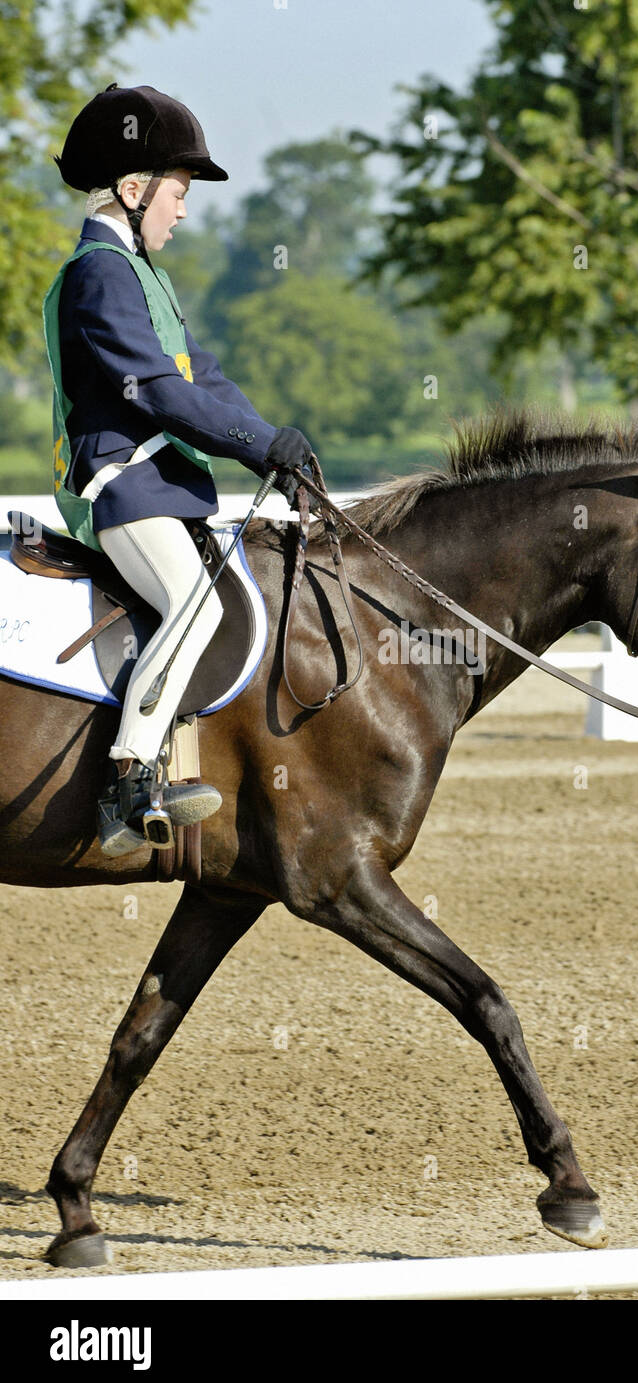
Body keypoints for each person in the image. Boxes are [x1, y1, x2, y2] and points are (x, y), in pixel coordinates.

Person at [44, 82, 312, 857]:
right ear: (132, 190)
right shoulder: (100, 272)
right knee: (195, 608)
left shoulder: (142, 275)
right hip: (121, 486)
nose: (183, 211)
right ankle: (129, 779)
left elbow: (204, 376)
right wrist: (256, 448)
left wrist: (277, 445)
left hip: (156, 485)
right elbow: (160, 392)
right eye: (178, 191)